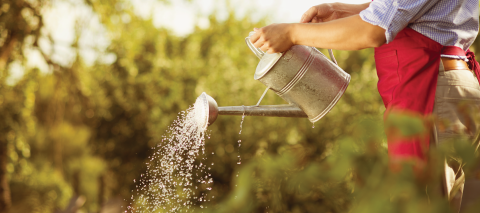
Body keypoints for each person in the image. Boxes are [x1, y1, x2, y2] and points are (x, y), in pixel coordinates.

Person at [249, 1, 480, 212]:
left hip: (430, 90)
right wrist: (342, 12)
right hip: (450, 88)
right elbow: (408, 11)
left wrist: (291, 33)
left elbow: (373, 30)